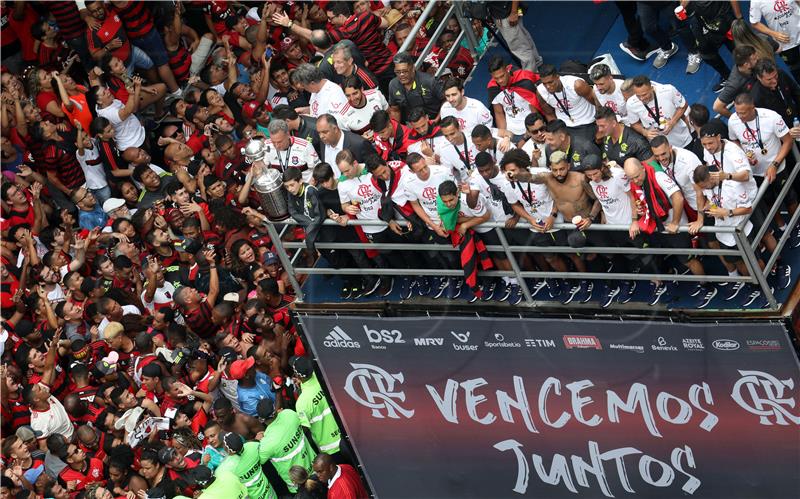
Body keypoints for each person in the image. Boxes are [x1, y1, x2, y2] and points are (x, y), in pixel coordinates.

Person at [537, 64, 597, 144]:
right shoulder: (541, 91)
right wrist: (556, 131)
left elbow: (597, 103)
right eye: (544, 83)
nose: (547, 86)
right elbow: (549, 113)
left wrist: (599, 126)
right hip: (563, 126)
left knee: (581, 148)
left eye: (550, 82)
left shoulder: (576, 85)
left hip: (586, 122)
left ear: (558, 77)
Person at [626, 75, 692, 148]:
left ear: (652, 88)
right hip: (659, 148)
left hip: (682, 140)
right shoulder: (631, 103)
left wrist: (672, 123)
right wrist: (644, 132)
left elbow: (683, 105)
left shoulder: (668, 90)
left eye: (644, 95)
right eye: (638, 96)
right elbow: (634, 123)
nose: (641, 99)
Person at [487, 56, 543, 137]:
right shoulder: (493, 88)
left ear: (507, 69)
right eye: (496, 78)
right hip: (511, 132)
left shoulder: (523, 79)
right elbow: (499, 114)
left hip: (531, 130)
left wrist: (531, 132)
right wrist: (504, 135)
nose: (500, 81)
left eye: (502, 76)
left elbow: (534, 107)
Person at [387, 52, 444, 123]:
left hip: (435, 121)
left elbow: (446, 100)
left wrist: (437, 119)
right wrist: (397, 129)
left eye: (405, 71)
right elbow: (395, 110)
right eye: (398, 72)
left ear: (413, 68)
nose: (401, 75)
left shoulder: (429, 81)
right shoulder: (393, 85)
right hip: (412, 126)